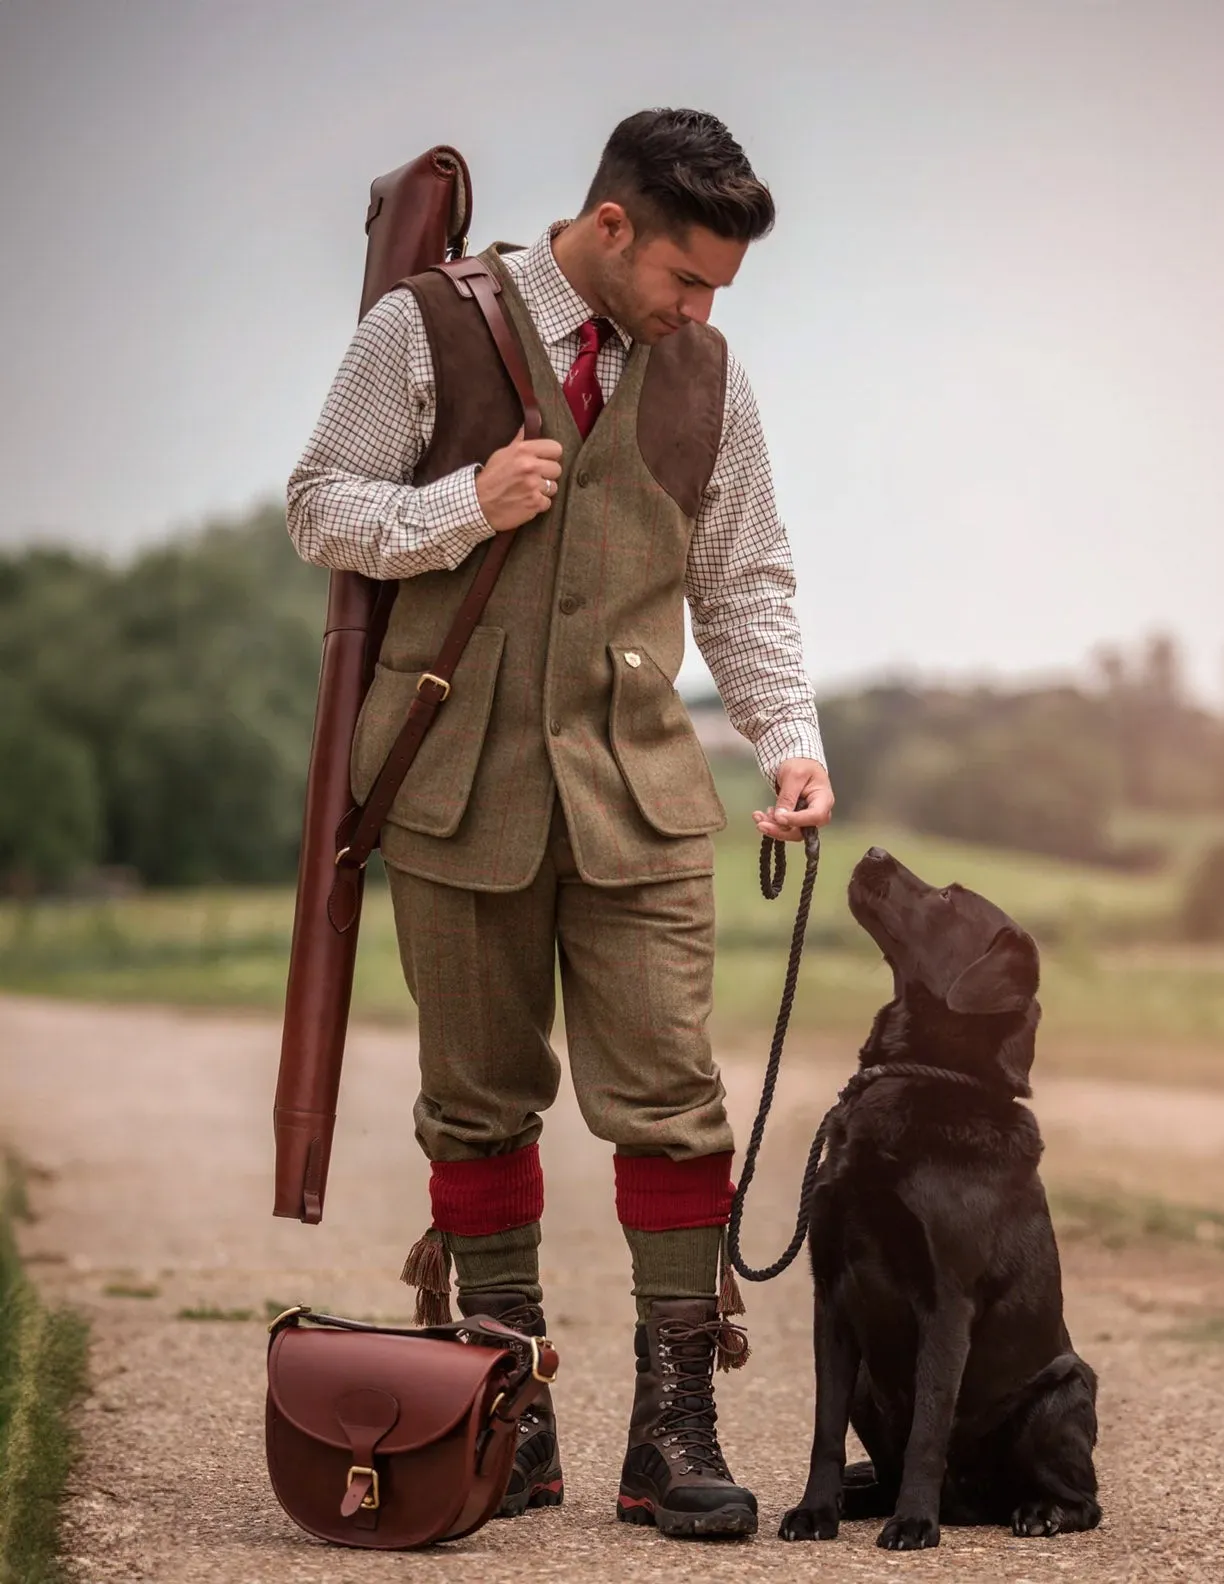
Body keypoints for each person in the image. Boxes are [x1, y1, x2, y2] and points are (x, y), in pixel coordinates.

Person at [286, 108, 833, 1540]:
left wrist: (789, 743)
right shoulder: (424, 328)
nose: (700, 311)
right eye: (685, 279)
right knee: (476, 1105)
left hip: (642, 797)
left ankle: (672, 1432)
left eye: (717, 290)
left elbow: (747, 581)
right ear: (608, 230)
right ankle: (505, 1418)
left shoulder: (708, 375)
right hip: (452, 783)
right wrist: (463, 507)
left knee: (672, 1101)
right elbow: (317, 507)